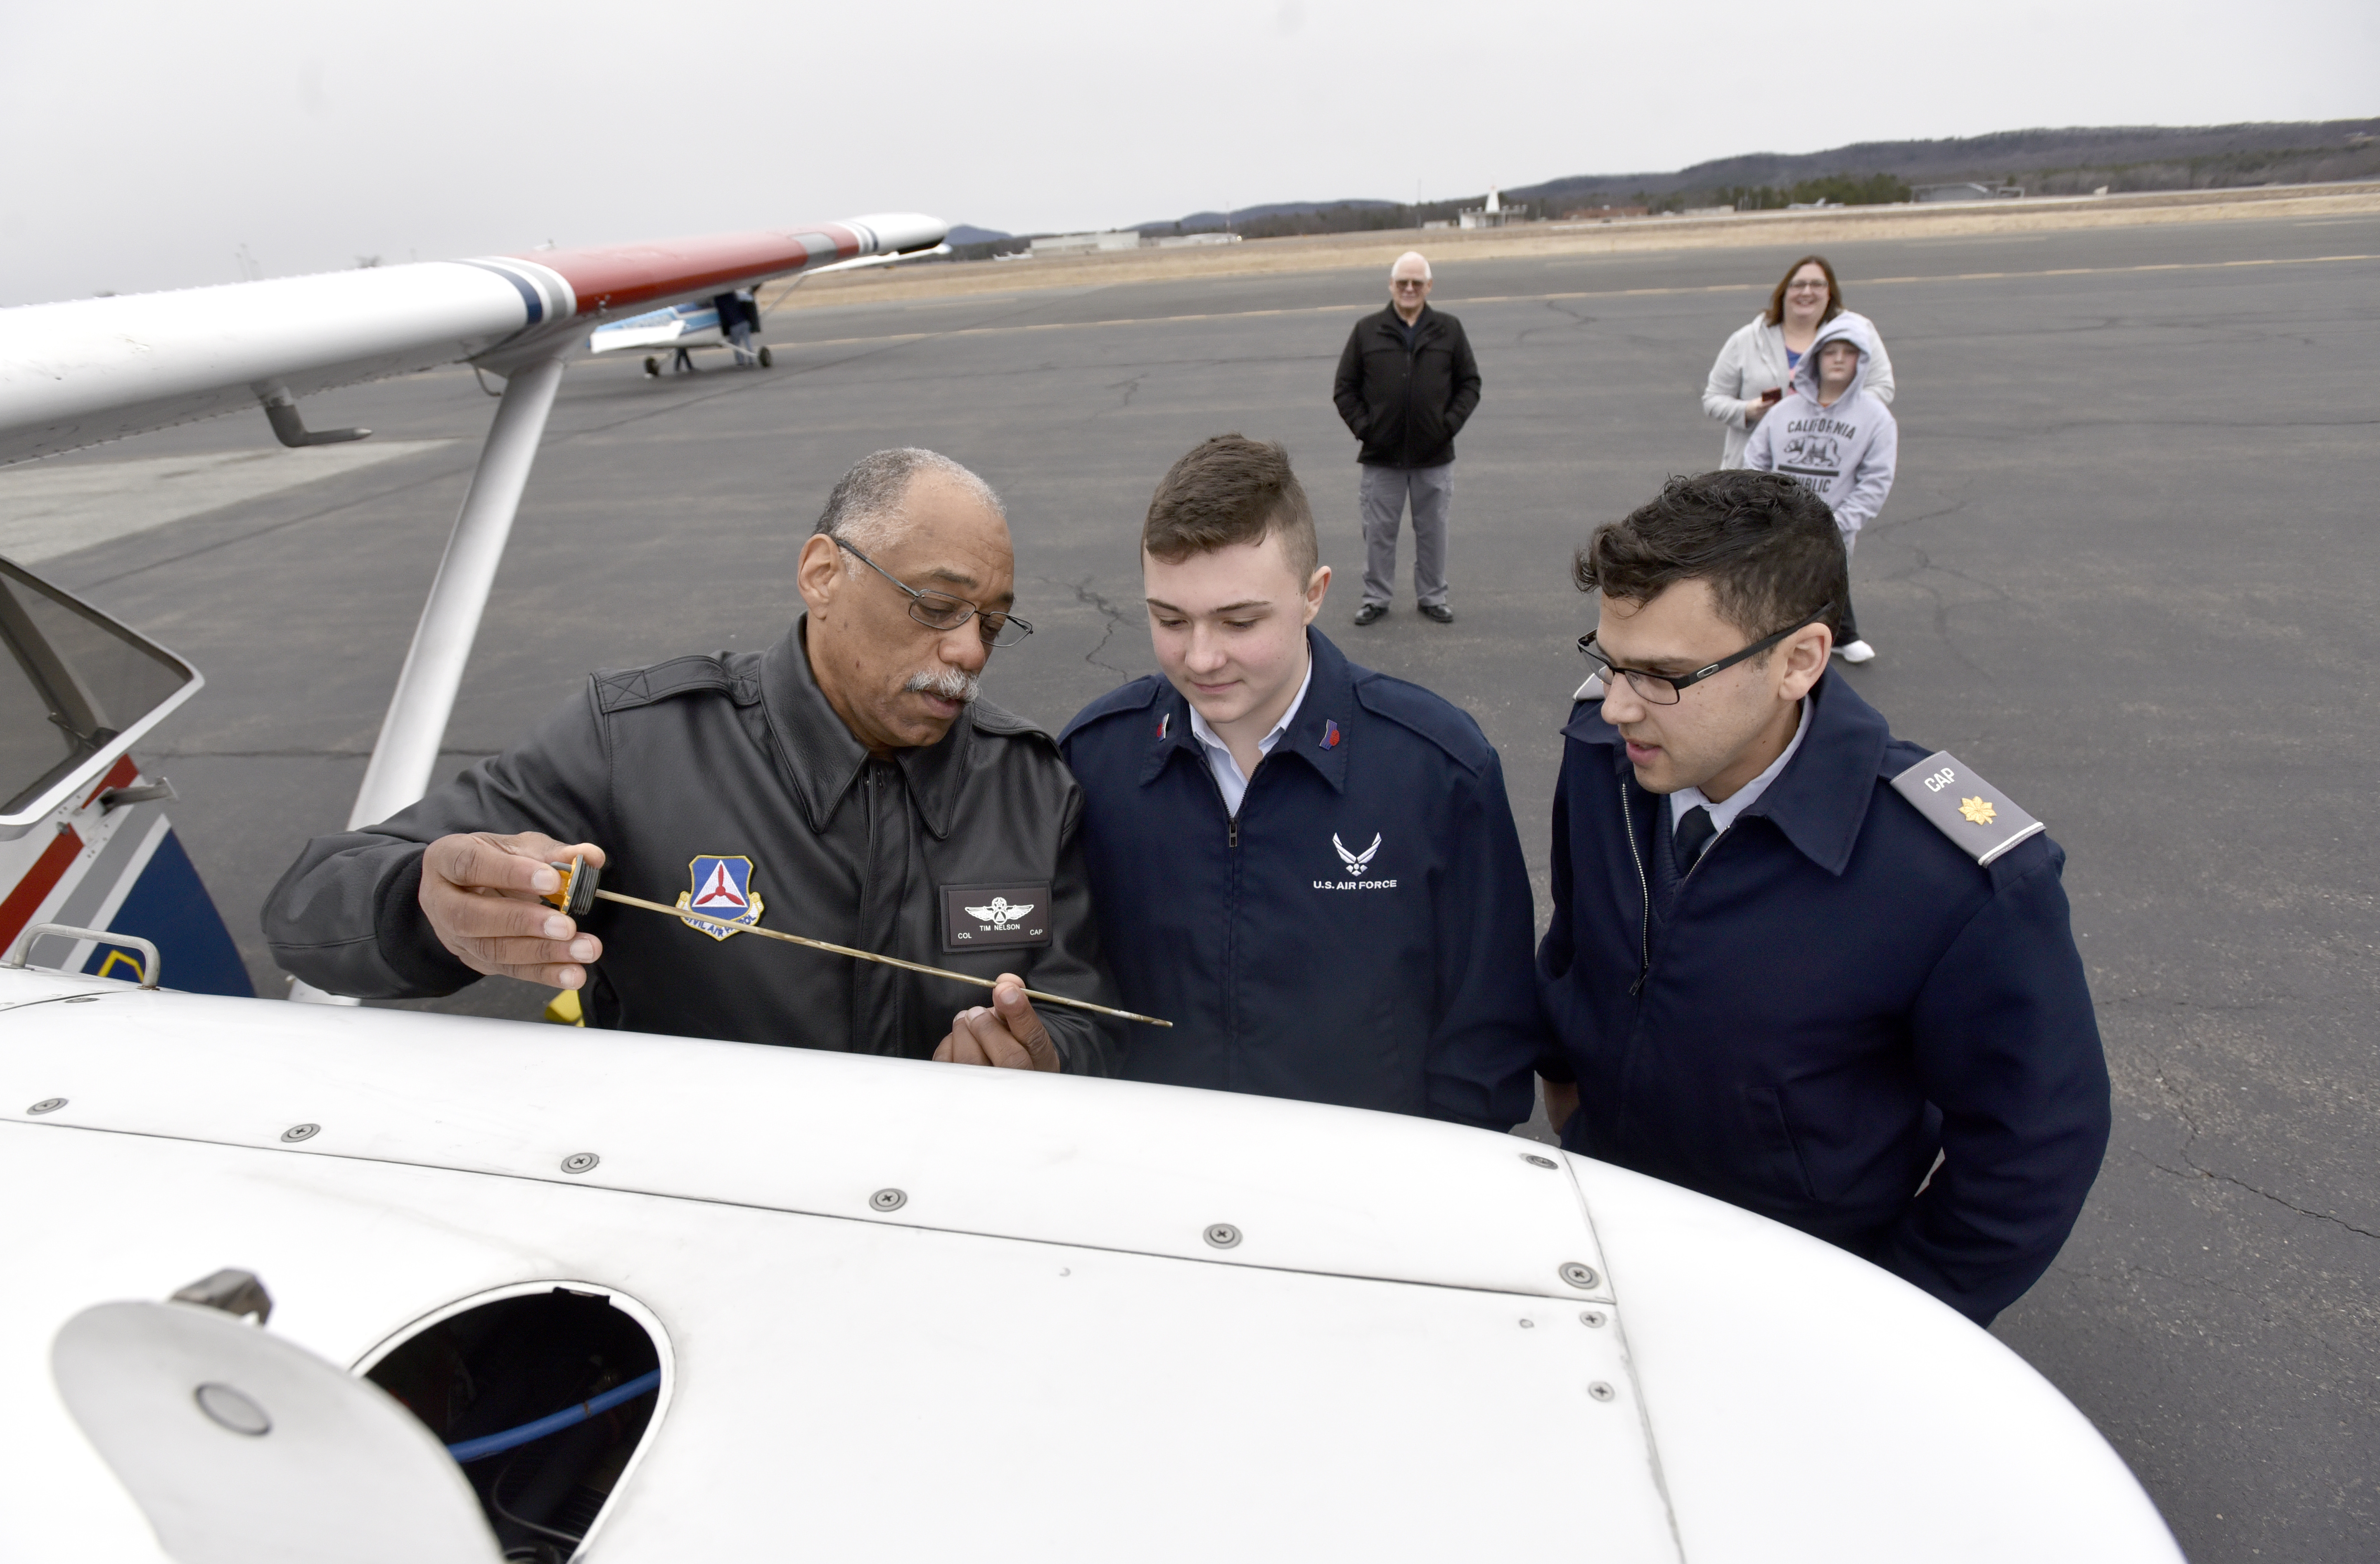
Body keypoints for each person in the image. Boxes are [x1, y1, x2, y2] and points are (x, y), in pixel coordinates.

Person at [263, 448, 1117, 1074]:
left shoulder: (1029, 789)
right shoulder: (635, 744)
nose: (968, 650)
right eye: (936, 606)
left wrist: (1039, 1058)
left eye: (994, 623)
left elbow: (1084, 1017)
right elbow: (308, 909)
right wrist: (422, 906)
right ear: (823, 575)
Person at [1535, 469, 2109, 1326]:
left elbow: (2035, 1147)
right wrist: (1566, 1096)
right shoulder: (1605, 757)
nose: (1618, 705)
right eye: (1608, 662)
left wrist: (1894, 1314)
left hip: (1794, 1290)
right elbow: (1578, 944)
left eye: (1660, 674)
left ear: (1797, 660)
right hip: (1601, 1232)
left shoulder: (1953, 875)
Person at [1058, 435, 1540, 1128]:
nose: (1200, 656)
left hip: (1367, 1195)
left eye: (1238, 620)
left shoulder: (1437, 769)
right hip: (1157, 1176)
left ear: (1313, 595)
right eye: (1169, 619)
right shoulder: (1092, 760)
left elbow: (1485, 1030)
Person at [1332, 251, 1482, 627]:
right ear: (1391, 286)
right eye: (1403, 283)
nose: (1410, 289)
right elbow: (1345, 388)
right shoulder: (1368, 330)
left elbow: (1470, 384)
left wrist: (1447, 425)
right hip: (1382, 458)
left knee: (1433, 532)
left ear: (1429, 287)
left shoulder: (1449, 329)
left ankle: (1433, 597)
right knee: (1378, 535)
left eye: (1417, 283)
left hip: (1434, 457)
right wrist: (1367, 429)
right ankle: (1376, 598)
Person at [1743, 315, 1896, 664]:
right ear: (1816, 358)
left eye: (1849, 352)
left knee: (1824, 582)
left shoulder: (1876, 418)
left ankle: (1837, 637)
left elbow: (1876, 480)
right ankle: (1774, 644)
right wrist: (1765, 513)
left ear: (1862, 361)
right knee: (1776, 584)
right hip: (1779, 524)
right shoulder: (1784, 411)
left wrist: (1839, 522)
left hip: (1833, 527)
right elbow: (1754, 461)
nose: (1839, 359)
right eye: (1830, 352)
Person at [1701, 254, 1895, 470]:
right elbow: (1713, 399)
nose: (1807, 292)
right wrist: (1747, 411)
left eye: (1818, 285)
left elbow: (1882, 387)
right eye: (1798, 285)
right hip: (1755, 474)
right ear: (1784, 291)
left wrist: (1838, 410)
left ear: (1830, 292)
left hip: (1832, 472)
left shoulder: (1858, 333)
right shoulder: (1746, 340)